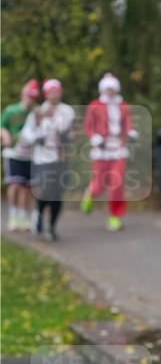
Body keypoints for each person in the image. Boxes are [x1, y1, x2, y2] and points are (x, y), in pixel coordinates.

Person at [81, 72, 138, 232]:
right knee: (99, 184)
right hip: (101, 150)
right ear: (102, 90)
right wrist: (95, 138)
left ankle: (115, 216)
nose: (110, 91)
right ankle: (90, 194)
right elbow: (88, 127)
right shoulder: (95, 105)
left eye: (113, 88)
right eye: (107, 88)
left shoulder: (122, 106)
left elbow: (128, 124)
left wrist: (131, 132)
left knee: (116, 184)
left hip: (118, 149)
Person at [19, 79, 75, 241]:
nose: (54, 94)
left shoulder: (67, 111)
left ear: (61, 92)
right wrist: (39, 136)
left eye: (57, 91)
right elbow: (26, 135)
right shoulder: (38, 112)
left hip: (61, 157)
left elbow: (71, 132)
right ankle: (39, 214)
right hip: (42, 158)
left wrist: (68, 136)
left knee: (58, 193)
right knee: (46, 189)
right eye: (51, 91)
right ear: (46, 93)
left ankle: (51, 226)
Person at [1, 79, 40, 231]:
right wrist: (5, 136)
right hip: (13, 153)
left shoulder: (36, 112)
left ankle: (23, 217)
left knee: (26, 187)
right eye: (28, 96)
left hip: (30, 155)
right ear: (23, 94)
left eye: (32, 97)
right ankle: (13, 215)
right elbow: (1, 125)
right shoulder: (11, 110)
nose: (29, 99)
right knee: (14, 184)